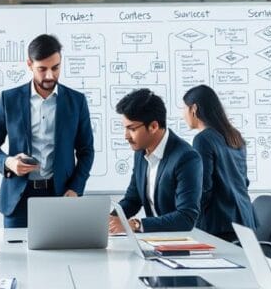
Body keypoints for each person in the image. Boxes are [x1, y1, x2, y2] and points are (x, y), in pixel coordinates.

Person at [0, 34, 95, 228]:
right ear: (29, 64)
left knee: (59, 257)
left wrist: (76, 188)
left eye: (56, 68)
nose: (50, 75)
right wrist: (8, 162)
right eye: (42, 69)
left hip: (60, 196)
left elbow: (86, 151)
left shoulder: (76, 101)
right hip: (18, 199)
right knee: (16, 257)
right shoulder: (9, 100)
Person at [110, 88, 202, 233]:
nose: (126, 136)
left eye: (131, 129)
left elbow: (186, 218)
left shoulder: (186, 158)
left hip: (180, 243)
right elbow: (132, 200)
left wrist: (135, 224)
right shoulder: (141, 153)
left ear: (153, 126)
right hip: (154, 241)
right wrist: (107, 220)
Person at [182, 84, 256, 242]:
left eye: (184, 108)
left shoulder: (203, 139)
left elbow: (204, 187)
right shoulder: (234, 135)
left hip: (219, 225)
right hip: (244, 221)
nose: (183, 114)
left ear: (193, 109)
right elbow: (243, 181)